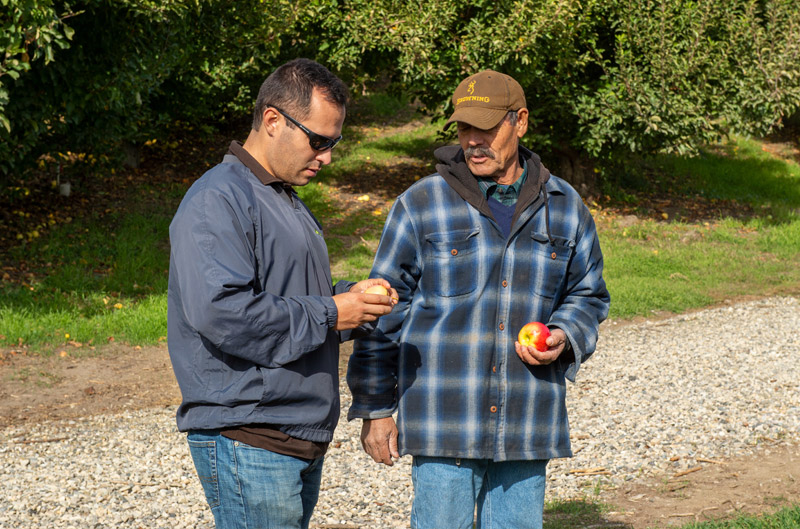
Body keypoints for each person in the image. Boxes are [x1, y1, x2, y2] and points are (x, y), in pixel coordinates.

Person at [346, 69, 610, 529]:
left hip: (528, 421)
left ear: (520, 122)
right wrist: (375, 407)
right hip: (443, 420)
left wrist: (564, 335)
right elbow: (380, 309)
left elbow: (588, 293)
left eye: (485, 127)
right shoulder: (421, 204)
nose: (472, 140)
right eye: (464, 128)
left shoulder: (565, 206)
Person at [167, 58, 396, 529]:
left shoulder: (281, 198)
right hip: (250, 434)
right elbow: (224, 312)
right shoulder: (218, 198)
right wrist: (334, 312)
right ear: (273, 121)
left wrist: (351, 298)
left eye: (334, 143)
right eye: (319, 141)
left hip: (290, 434)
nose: (328, 156)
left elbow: (293, 297)